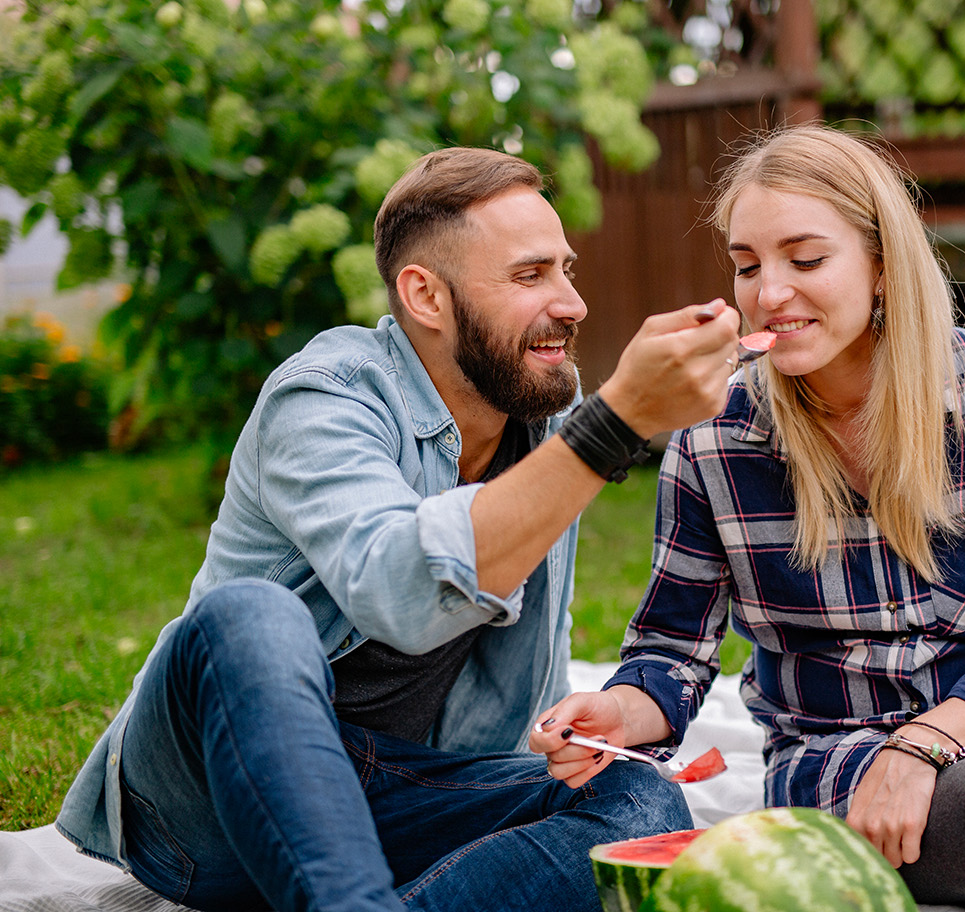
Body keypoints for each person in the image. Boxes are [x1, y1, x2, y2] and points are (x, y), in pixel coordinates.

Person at [530, 125, 965, 912]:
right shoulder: (714, 438)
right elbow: (671, 653)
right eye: (746, 265)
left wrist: (927, 743)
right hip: (841, 764)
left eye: (806, 260)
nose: (769, 292)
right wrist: (618, 713)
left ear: (880, 265)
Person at [55, 146, 743, 912]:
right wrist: (612, 427)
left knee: (641, 807)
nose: (573, 302)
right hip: (208, 809)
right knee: (247, 616)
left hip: (401, 790)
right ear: (425, 295)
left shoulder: (545, 415)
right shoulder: (324, 395)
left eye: (566, 269)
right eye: (530, 275)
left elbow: (535, 638)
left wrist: (559, 741)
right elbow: (402, 592)